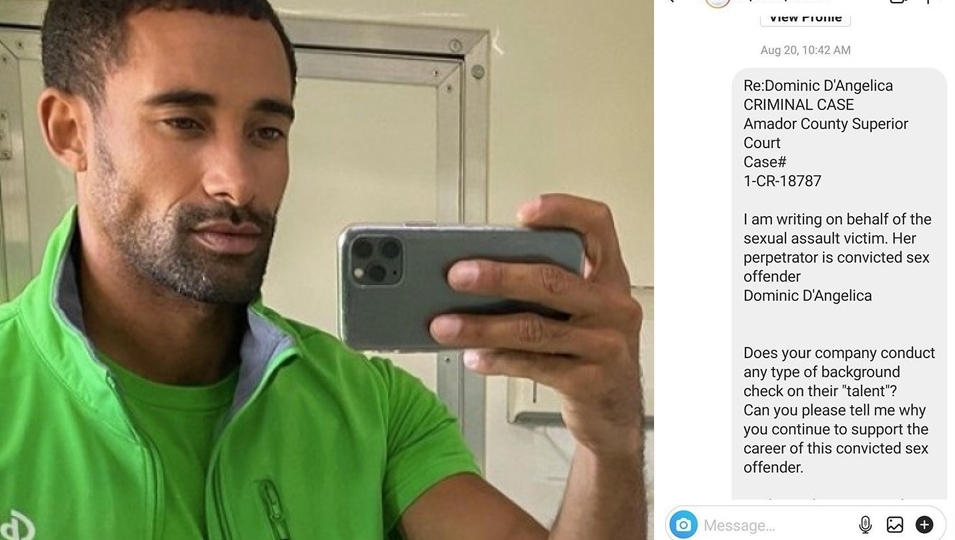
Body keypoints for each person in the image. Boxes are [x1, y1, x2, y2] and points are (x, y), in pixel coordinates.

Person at [0, 0, 646, 538]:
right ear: (69, 131)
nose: (237, 182)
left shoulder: (375, 410)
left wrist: (610, 442)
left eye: (266, 132)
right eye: (184, 122)